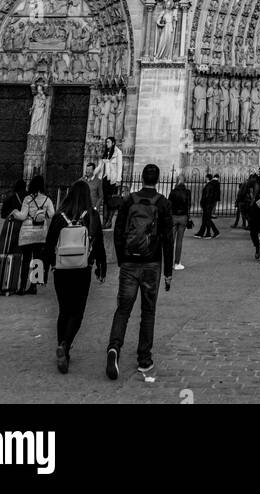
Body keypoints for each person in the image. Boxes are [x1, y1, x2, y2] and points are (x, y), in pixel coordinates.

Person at [106, 163, 173, 381]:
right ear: (158, 179)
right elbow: (168, 239)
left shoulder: (129, 200)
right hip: (152, 264)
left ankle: (114, 348)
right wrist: (169, 271)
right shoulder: (162, 203)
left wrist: (122, 258)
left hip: (129, 263)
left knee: (123, 309)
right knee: (148, 312)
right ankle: (144, 359)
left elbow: (118, 231)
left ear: (142, 178)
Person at [44, 178, 107, 373]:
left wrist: (43, 270)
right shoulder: (92, 215)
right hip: (82, 269)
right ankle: (65, 346)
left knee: (64, 310)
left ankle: (63, 346)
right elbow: (99, 244)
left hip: (61, 270)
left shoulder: (59, 216)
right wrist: (100, 267)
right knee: (77, 311)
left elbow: (48, 245)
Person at [12, 175, 54, 294]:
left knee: (26, 260)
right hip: (40, 233)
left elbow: (22, 216)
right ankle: (33, 286)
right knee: (37, 260)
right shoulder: (47, 199)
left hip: (27, 233)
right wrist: (43, 214)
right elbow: (52, 214)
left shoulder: (27, 199)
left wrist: (15, 212)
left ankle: (22, 287)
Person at [168, 175, 192, 270]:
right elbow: (188, 205)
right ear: (184, 181)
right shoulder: (187, 192)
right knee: (179, 241)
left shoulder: (173, 192)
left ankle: (169, 262)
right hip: (183, 217)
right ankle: (177, 263)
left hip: (173, 217)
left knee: (171, 241)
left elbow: (169, 205)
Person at [0, 177, 26, 256]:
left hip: (12, 224)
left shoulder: (10, 196)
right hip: (25, 225)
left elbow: (3, 214)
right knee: (21, 250)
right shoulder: (29, 197)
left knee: (7, 247)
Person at [99, 136, 124, 225]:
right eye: (106, 142)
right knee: (105, 200)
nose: (106, 144)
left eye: (108, 142)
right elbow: (102, 166)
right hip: (106, 178)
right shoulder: (106, 153)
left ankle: (109, 221)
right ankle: (104, 221)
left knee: (112, 200)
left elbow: (120, 166)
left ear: (113, 143)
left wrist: (118, 180)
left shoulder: (118, 153)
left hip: (113, 179)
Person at [196, 172, 220, 238]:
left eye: (205, 177)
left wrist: (203, 204)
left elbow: (207, 196)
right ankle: (202, 232)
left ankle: (209, 233)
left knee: (207, 219)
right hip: (208, 204)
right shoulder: (210, 185)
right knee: (206, 219)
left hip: (207, 205)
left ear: (207, 178)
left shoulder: (209, 185)